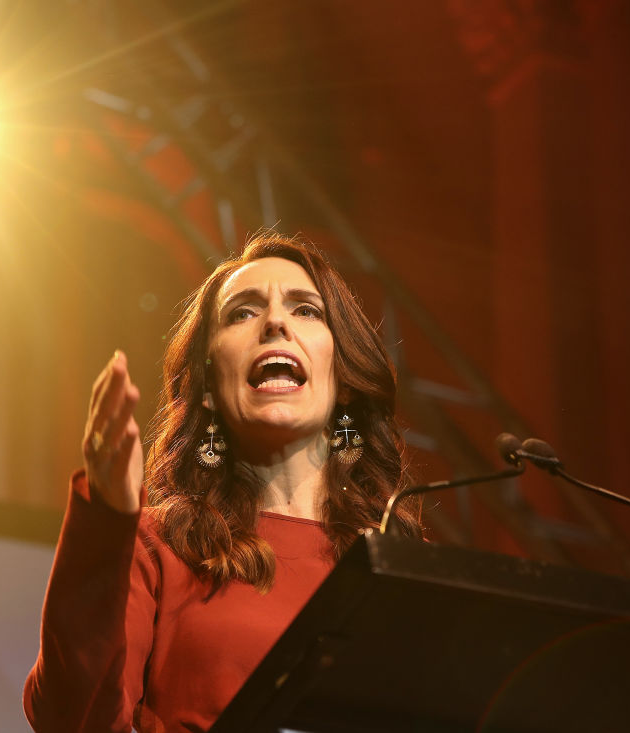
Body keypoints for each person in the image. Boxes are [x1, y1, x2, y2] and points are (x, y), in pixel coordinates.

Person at [23, 232, 422, 732]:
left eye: (306, 311)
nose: (275, 321)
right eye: (242, 313)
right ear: (209, 386)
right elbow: (71, 718)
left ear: (343, 377)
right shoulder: (158, 547)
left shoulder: (397, 565)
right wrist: (106, 517)